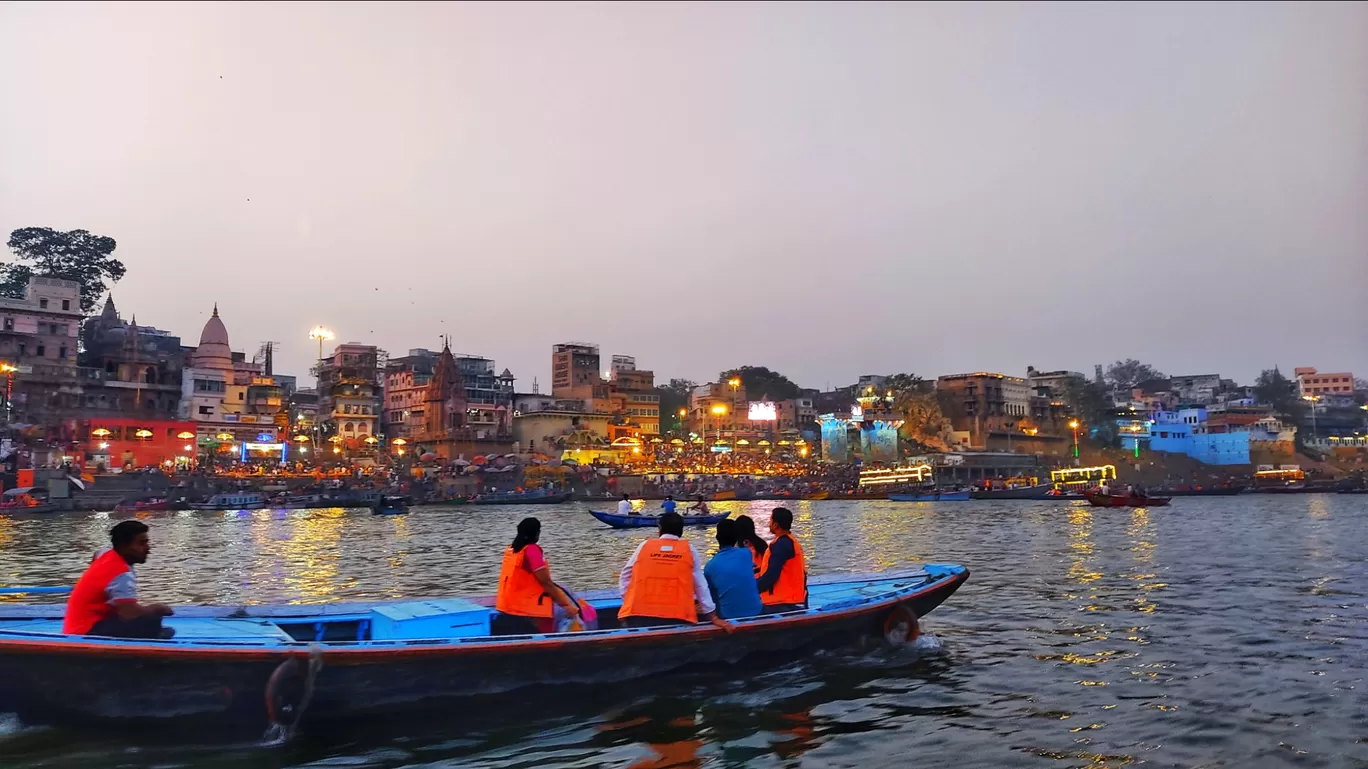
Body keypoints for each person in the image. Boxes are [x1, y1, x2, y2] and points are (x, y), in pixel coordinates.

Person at [619, 512, 733, 632]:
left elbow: (625, 576)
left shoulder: (644, 546)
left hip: (638, 616)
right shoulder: (689, 550)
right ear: (681, 531)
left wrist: (628, 603)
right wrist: (713, 617)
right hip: (677, 618)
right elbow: (700, 585)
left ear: (660, 529)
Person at [64, 520, 175, 639]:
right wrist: (157, 608)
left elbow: (97, 554)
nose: (148, 548)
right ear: (124, 546)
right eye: (141, 544)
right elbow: (130, 613)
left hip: (76, 625)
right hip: (86, 631)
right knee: (152, 619)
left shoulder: (106, 554)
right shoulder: (121, 574)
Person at [494, 518, 582, 634]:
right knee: (572, 611)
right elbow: (545, 582)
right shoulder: (531, 550)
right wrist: (567, 606)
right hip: (527, 611)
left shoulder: (511, 550)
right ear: (536, 533)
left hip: (506, 607)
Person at [704, 519, 763, 620]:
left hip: (728, 615)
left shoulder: (710, 566)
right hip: (756, 610)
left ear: (717, 537)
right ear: (736, 538)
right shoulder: (747, 553)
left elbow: (711, 598)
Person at [756, 507, 807, 613]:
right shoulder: (791, 542)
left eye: (770, 520)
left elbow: (771, 577)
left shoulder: (780, 545)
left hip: (778, 603)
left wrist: (751, 588)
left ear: (776, 525)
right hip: (793, 599)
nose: (769, 523)